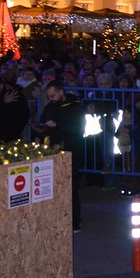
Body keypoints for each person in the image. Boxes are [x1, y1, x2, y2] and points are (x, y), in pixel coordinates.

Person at [35, 81, 86, 232]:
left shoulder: (75, 107)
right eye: (49, 96)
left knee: (70, 187)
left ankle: (75, 221)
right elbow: (45, 121)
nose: (51, 98)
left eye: (53, 95)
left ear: (61, 91)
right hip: (53, 150)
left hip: (71, 150)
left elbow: (77, 129)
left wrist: (57, 125)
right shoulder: (50, 107)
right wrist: (41, 128)